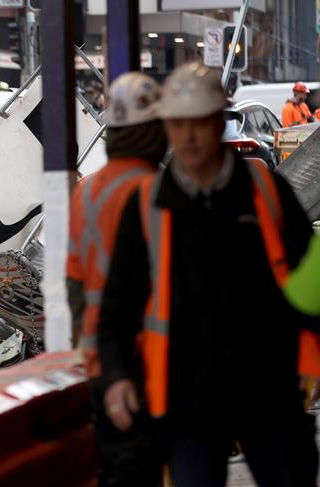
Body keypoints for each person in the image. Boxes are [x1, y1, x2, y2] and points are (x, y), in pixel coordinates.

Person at [99, 63, 320, 486]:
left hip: (265, 387)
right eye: (177, 125)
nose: (187, 136)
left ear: (218, 121)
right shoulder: (148, 205)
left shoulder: (266, 193)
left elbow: (308, 278)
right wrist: (116, 374)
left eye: (198, 123)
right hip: (188, 396)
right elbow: (118, 301)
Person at [67, 72, 168, 486]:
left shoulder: (85, 192)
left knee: (116, 467)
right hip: (146, 359)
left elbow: (73, 285)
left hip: (97, 358)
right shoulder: (156, 191)